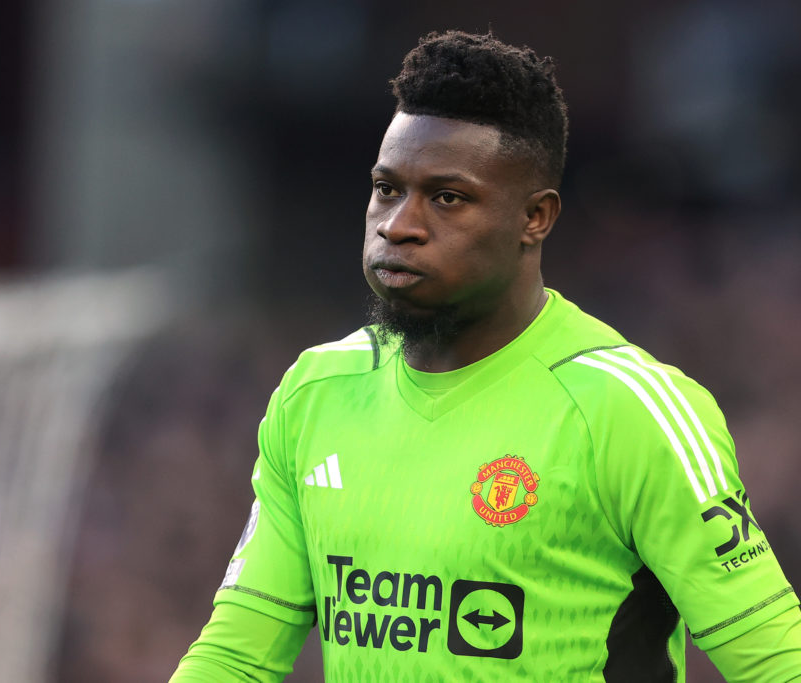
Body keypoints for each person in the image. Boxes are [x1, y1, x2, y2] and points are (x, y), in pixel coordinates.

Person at [170, 30, 801, 681]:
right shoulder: (316, 391)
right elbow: (237, 655)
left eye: (447, 198)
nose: (399, 225)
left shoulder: (631, 410)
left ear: (536, 217)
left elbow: (778, 660)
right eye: (388, 189)